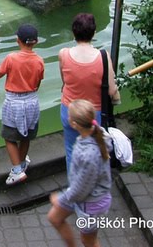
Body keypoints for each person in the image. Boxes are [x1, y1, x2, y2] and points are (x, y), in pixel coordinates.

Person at [0, 23, 45, 186]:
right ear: (35, 42)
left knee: (9, 137)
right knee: (26, 136)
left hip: (14, 102)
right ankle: (21, 164)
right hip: (32, 101)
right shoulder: (39, 61)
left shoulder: (12, 58)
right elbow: (37, 83)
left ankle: (17, 171)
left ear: (17, 40)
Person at [59, 13, 120, 170]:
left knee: (71, 151)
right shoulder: (103, 57)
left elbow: (64, 81)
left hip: (70, 111)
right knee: (96, 151)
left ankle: (75, 188)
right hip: (94, 115)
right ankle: (92, 186)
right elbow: (112, 90)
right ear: (94, 32)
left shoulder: (63, 54)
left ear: (73, 32)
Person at [47, 98, 113, 247]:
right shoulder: (96, 133)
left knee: (88, 241)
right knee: (54, 218)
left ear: (74, 124)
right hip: (80, 197)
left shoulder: (89, 155)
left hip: (92, 204)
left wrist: (62, 198)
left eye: (69, 116)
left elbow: (83, 188)